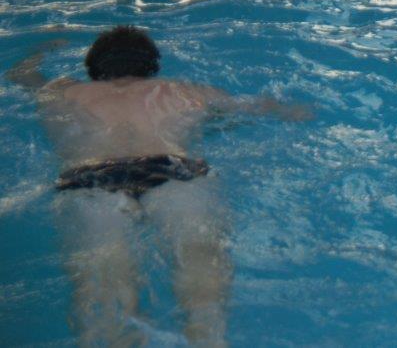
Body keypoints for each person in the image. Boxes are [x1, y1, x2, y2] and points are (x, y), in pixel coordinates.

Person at [6, 27, 309, 347]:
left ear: (92, 68)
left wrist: (43, 47)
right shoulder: (185, 91)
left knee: (104, 283)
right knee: (199, 263)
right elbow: (267, 108)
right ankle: (208, 337)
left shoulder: (62, 92)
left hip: (91, 179)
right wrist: (293, 112)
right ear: (151, 67)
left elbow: (20, 74)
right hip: (173, 172)